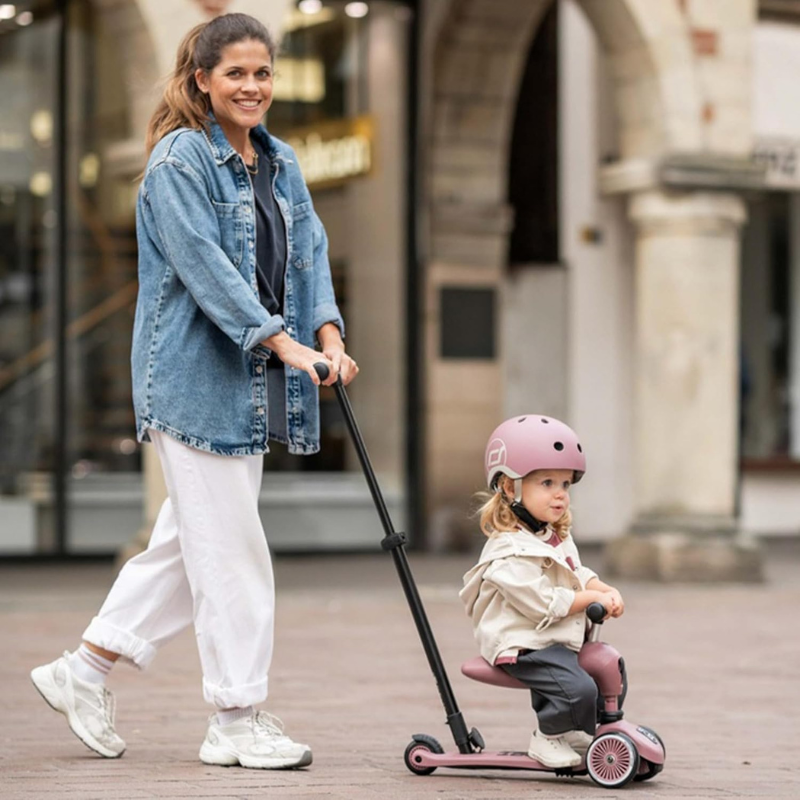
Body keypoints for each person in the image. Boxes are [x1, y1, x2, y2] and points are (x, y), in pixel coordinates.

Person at [30, 13, 357, 770]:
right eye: (236, 73)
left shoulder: (281, 162)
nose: (253, 87)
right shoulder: (179, 162)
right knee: (234, 553)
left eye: (264, 73)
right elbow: (208, 272)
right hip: (193, 381)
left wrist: (331, 337)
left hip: (244, 382)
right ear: (202, 79)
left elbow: (309, 253)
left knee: (189, 547)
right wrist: (284, 344)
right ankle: (235, 718)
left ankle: (82, 670)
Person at [459, 415, 625, 769]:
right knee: (576, 687)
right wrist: (590, 599)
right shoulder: (507, 552)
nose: (560, 494)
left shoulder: (554, 536)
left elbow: (577, 574)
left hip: (550, 638)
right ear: (509, 487)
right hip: (521, 642)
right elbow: (544, 603)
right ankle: (548, 737)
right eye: (547, 482)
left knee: (606, 669)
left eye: (565, 483)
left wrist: (602, 588)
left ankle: (574, 729)